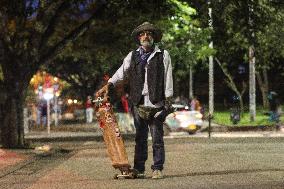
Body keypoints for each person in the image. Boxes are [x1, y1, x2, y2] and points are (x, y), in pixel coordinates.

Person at [97, 22, 173, 179]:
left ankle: (157, 168)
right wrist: (109, 84)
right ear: (139, 38)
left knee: (157, 138)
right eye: (142, 34)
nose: (146, 36)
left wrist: (168, 99)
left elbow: (168, 77)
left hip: (156, 103)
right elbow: (121, 72)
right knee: (140, 138)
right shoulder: (132, 56)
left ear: (153, 37)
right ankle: (139, 168)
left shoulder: (163, 55)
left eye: (149, 34)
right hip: (138, 102)